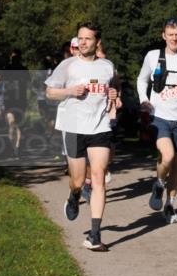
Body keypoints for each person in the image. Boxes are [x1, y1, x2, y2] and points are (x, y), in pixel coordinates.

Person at [45, 22, 120, 251]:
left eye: (88, 39)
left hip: (99, 126)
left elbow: (115, 85)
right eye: (80, 38)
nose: (83, 42)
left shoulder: (107, 66)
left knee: (98, 176)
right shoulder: (68, 65)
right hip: (73, 127)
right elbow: (49, 92)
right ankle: (74, 194)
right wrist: (69, 91)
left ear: (97, 42)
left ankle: (95, 236)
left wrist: (115, 94)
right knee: (78, 180)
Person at [137, 17, 177, 224]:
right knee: (167, 155)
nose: (174, 38)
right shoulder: (153, 56)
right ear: (163, 36)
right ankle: (158, 183)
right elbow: (142, 79)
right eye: (170, 35)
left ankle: (170, 204)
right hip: (160, 115)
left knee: (176, 163)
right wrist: (144, 100)